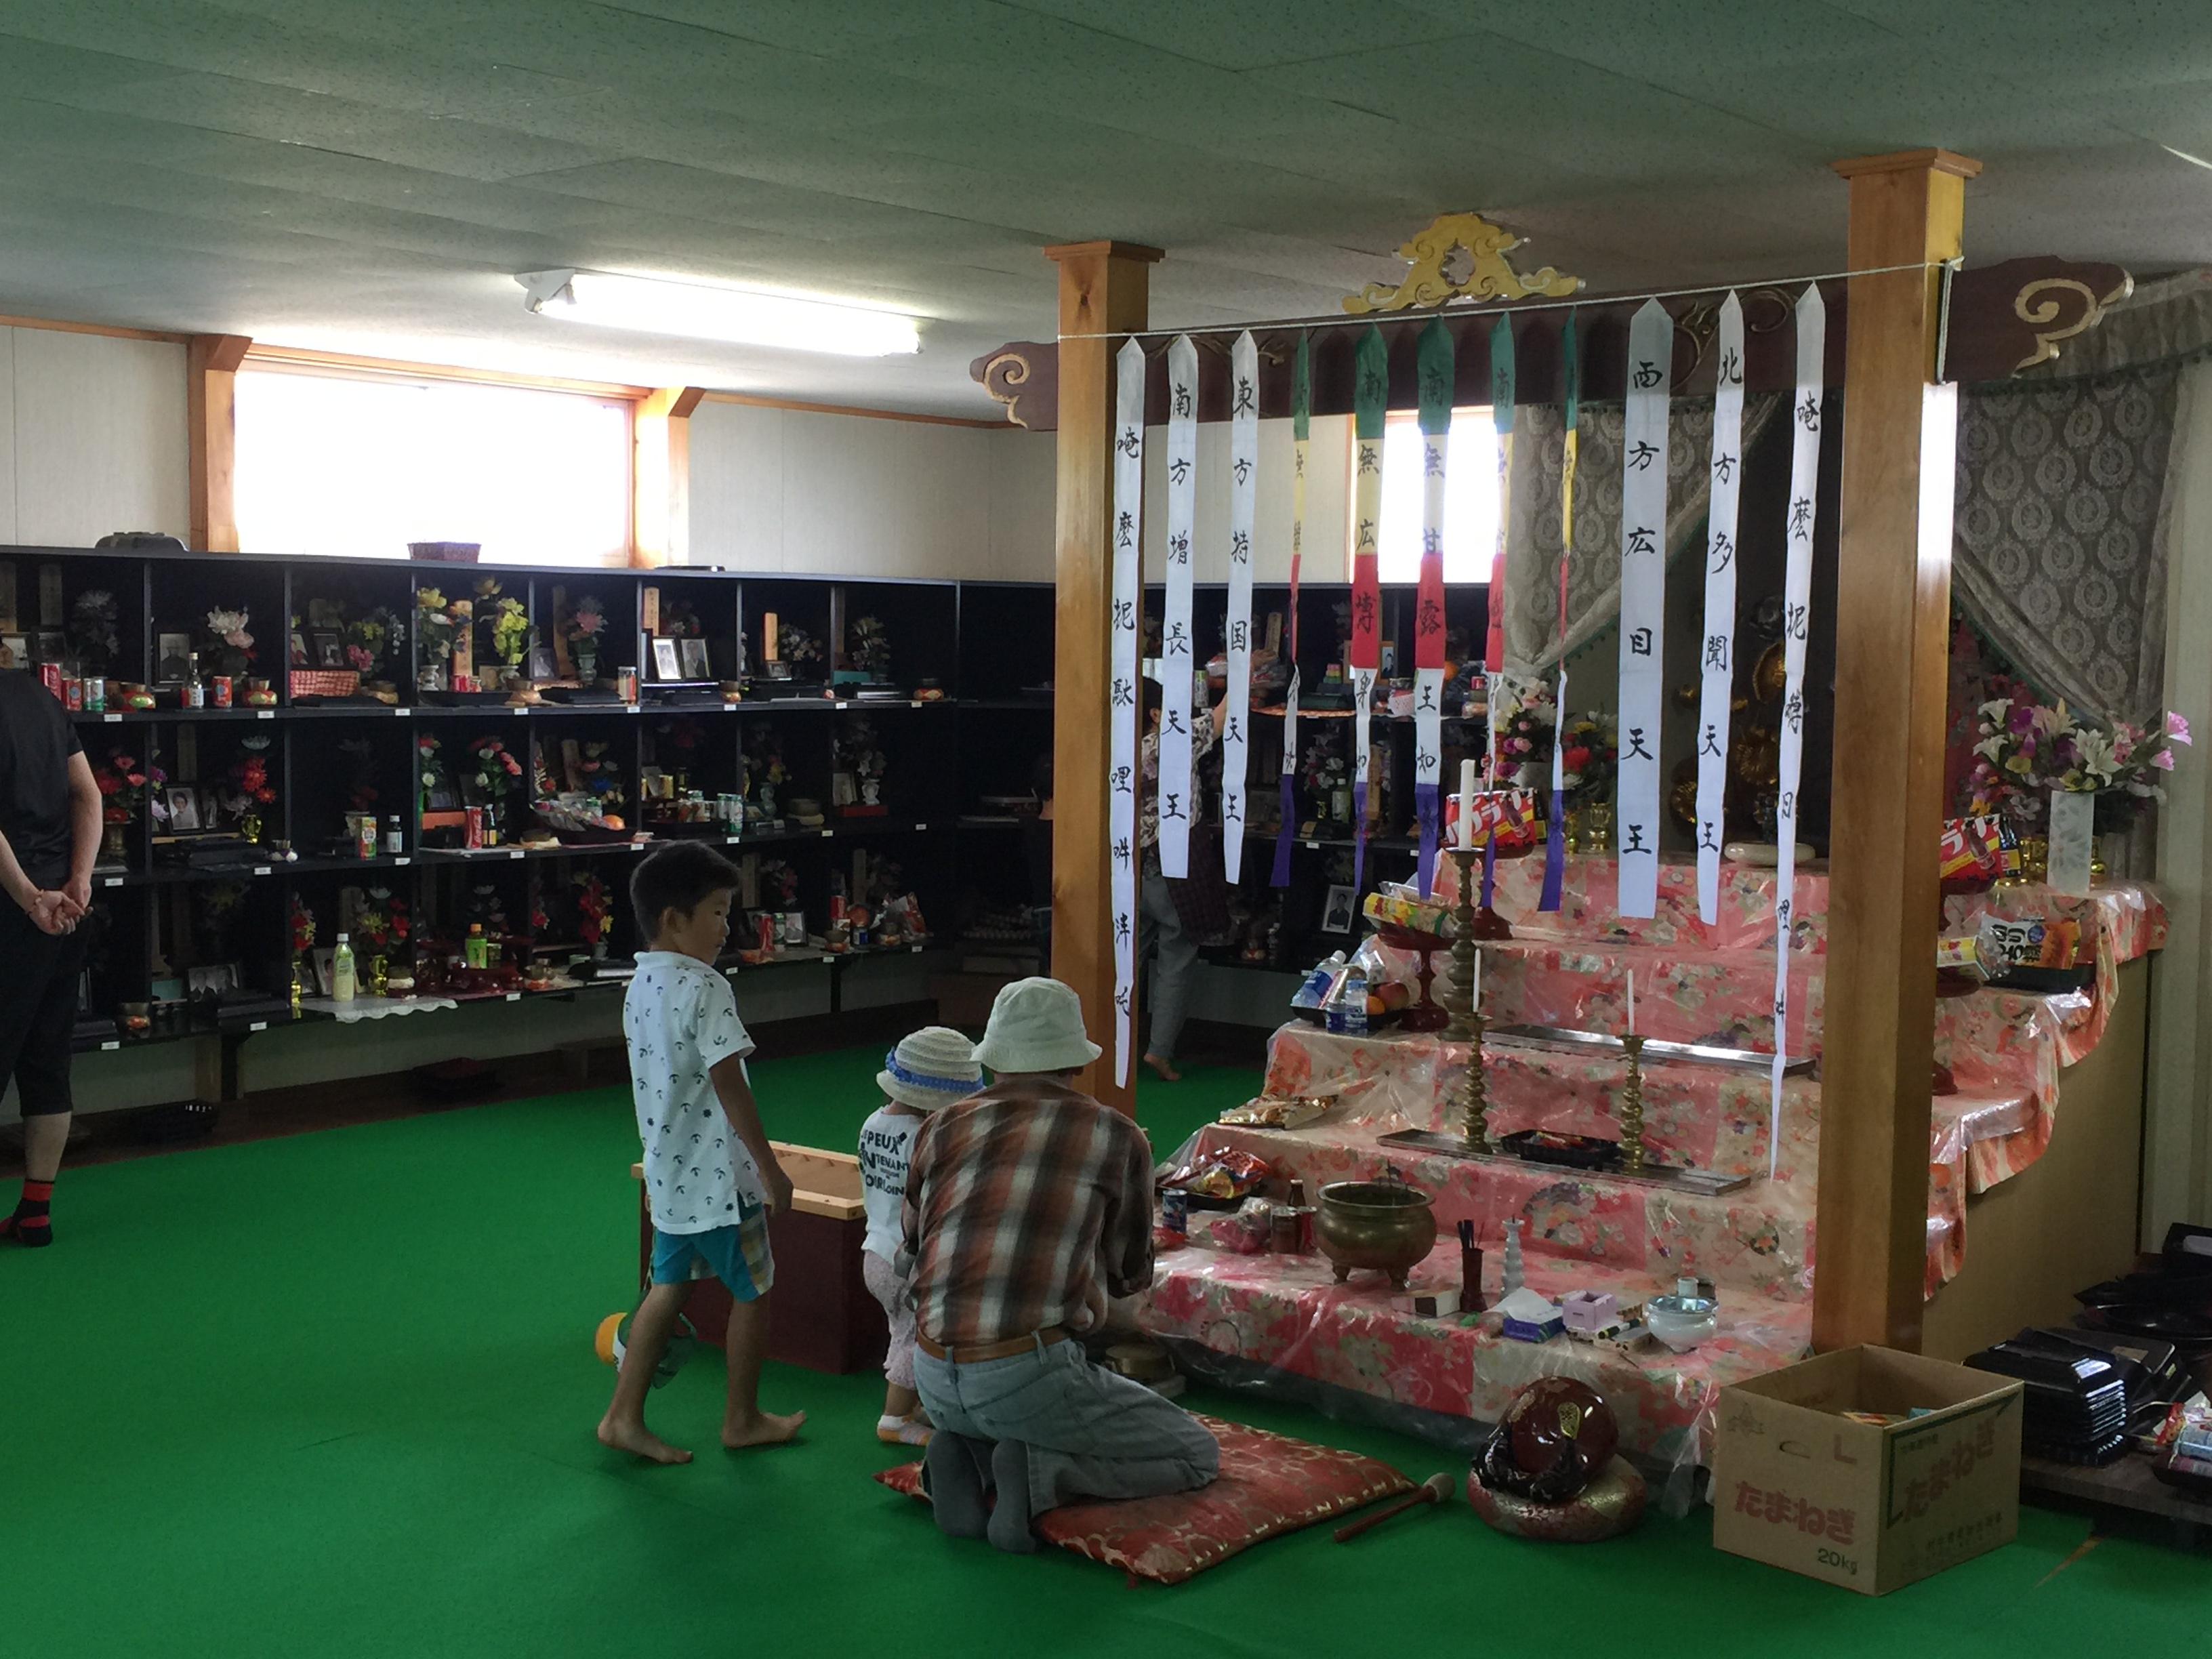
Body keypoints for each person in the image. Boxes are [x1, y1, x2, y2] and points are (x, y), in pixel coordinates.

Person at [904, 976, 1219, 1554]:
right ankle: (1040, 1477)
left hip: (930, 1377)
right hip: (1023, 1376)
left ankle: (966, 1455)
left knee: (1009, 1397)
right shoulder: (1116, 1134)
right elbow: (1128, 1277)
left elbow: (914, 1247)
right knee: (1196, 1453)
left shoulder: (940, 1125)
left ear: (994, 1057)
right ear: (1075, 1061)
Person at [598, 840, 804, 1465]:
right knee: (754, 1290)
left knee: (669, 1288)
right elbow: (728, 1082)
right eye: (716, 912)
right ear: (673, 918)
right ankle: (741, 1419)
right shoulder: (705, 986)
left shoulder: (640, 982)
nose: (725, 927)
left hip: (670, 1171)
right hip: (720, 1177)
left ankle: (621, 1417)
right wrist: (770, 1168)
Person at [0, 668, 100, 1248]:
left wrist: (28, 897)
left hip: (18, 907)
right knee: (46, 1062)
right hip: (64, 907)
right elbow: (88, 794)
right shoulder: (40, 698)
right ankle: (35, 1212)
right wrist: (79, 880)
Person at [858, 1025, 983, 1448]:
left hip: (875, 1250)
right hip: (908, 1259)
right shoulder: (926, 1137)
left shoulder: (874, 1123)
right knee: (915, 1338)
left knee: (902, 1330)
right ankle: (894, 1419)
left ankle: (913, 1405)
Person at [1138, 676, 1228, 1082]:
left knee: (1127, 959)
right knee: (1176, 957)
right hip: (1172, 864)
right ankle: (1159, 1051)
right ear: (1157, 714)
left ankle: (1110, 1042)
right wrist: (1245, 668)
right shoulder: (1170, 742)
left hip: (1129, 865)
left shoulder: (1115, 747)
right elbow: (1222, 718)